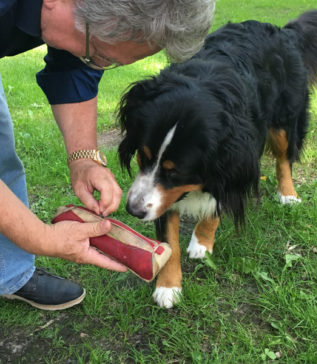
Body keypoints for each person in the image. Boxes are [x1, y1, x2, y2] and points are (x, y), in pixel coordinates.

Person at [0, 0, 215, 310]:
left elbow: (73, 68)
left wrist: (83, 157)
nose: (94, 62)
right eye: (98, 54)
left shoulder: (82, 25)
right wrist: (41, 238)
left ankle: (9, 271)